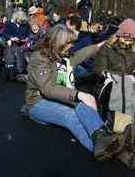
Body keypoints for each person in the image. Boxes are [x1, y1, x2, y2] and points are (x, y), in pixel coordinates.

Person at [23, 24, 135, 166]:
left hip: (57, 99)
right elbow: (47, 89)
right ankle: (109, 152)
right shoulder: (39, 58)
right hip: (37, 103)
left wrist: (103, 44)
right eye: (70, 43)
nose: (72, 46)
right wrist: (79, 95)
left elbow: (80, 55)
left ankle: (102, 137)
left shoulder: (62, 56)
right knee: (70, 115)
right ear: (59, 42)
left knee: (83, 106)